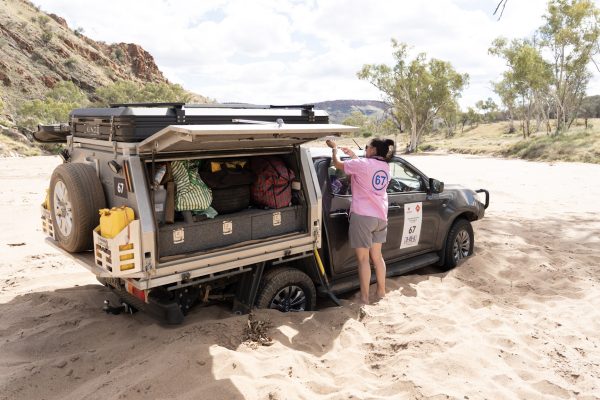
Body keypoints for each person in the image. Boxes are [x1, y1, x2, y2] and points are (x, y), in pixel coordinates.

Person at [328, 137, 395, 305]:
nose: (365, 149)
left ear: (373, 150)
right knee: (377, 258)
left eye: (367, 147)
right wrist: (353, 155)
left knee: (363, 260)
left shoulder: (363, 164)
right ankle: (381, 292)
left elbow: (337, 164)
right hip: (380, 216)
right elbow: (366, 171)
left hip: (363, 216)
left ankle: (364, 298)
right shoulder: (386, 168)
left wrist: (334, 149)